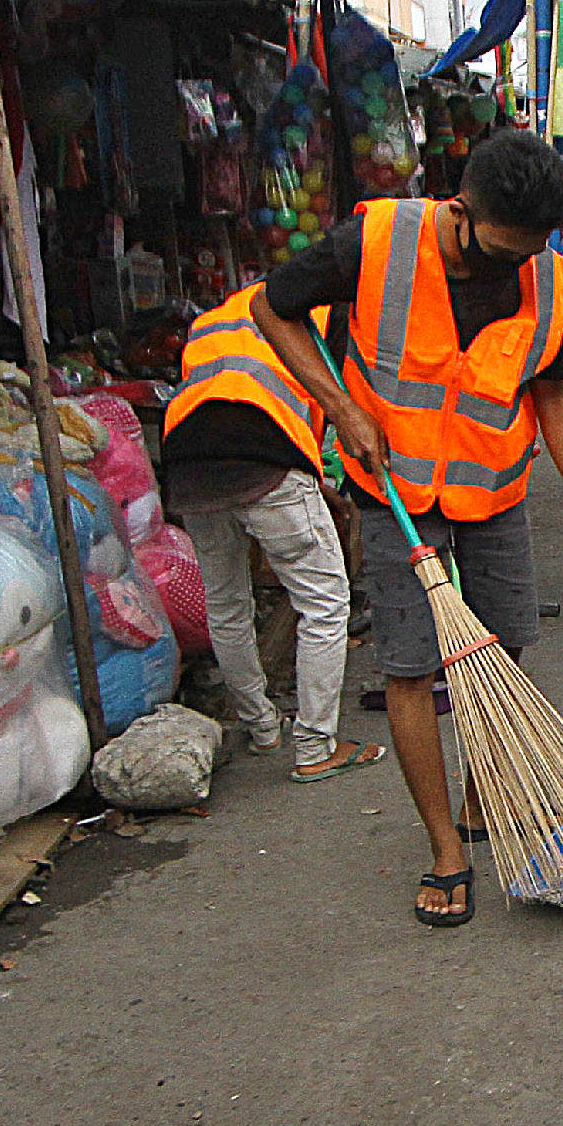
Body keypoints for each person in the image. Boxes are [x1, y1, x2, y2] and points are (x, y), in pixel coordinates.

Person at [246, 129, 563, 926]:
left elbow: (550, 394)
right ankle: (446, 848)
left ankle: (483, 798)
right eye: (498, 251)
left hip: (494, 488)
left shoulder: (545, 278)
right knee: (413, 667)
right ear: (462, 212)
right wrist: (342, 411)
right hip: (395, 491)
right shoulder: (379, 239)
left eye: (528, 252)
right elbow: (270, 307)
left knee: (503, 648)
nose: (512, 269)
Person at [159, 268, 386, 790]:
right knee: (326, 602)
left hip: (188, 462)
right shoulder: (324, 316)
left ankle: (261, 727)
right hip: (264, 452)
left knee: (226, 602)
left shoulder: (215, 318)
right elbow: (341, 409)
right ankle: (316, 747)